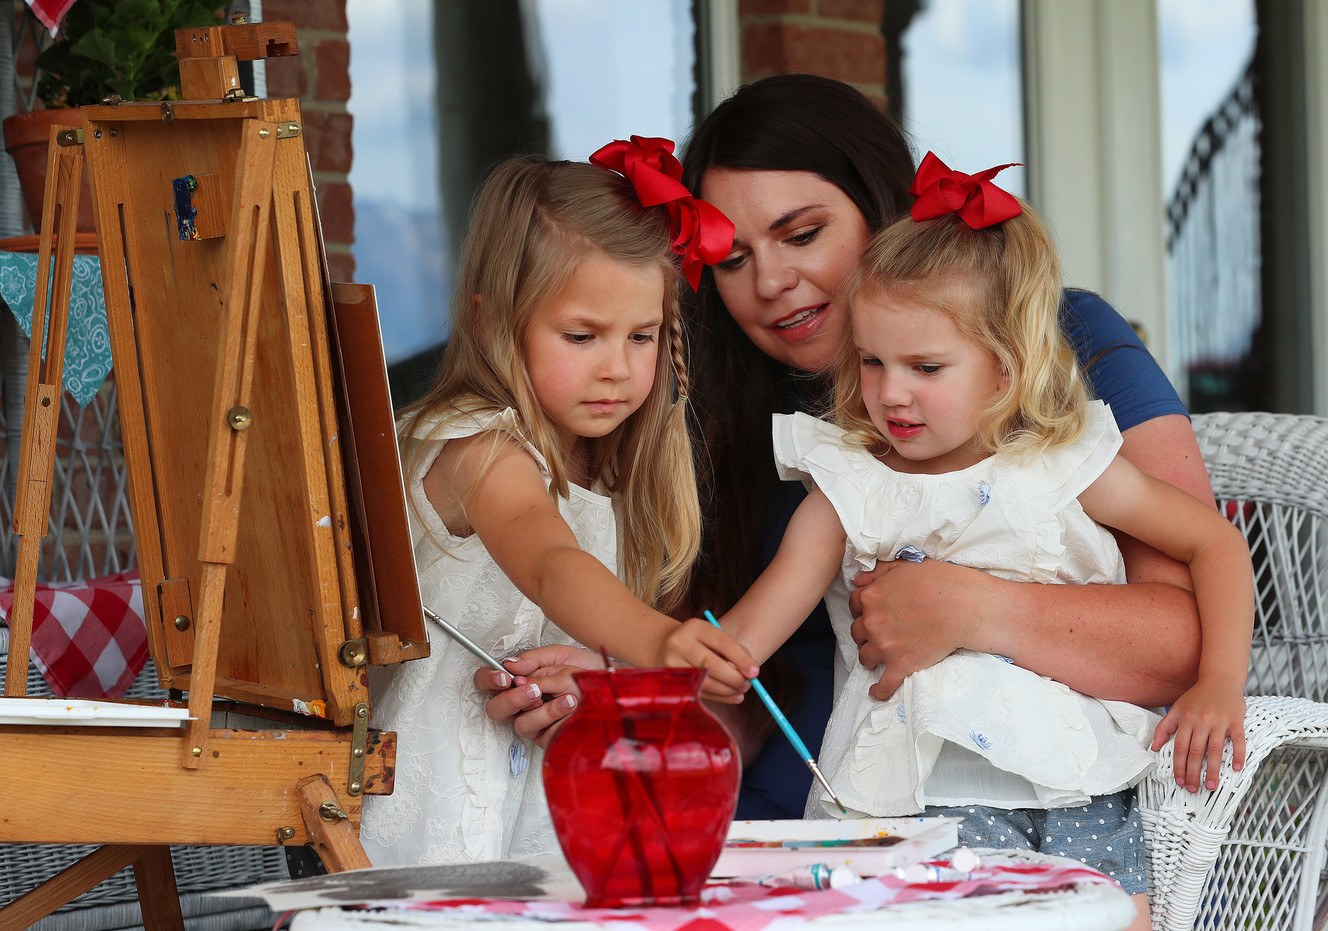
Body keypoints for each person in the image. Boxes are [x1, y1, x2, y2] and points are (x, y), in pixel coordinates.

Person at [479, 75, 1213, 821]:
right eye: (731, 260)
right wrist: (619, 697)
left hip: (1037, 806)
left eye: (802, 235)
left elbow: (1189, 645)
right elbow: (740, 681)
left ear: (883, 208)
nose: (771, 280)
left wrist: (978, 609)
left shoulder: (1062, 344)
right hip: (816, 817)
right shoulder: (720, 410)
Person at [709, 155, 1253, 926]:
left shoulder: (1068, 465)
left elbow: (1215, 546)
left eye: (926, 366)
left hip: (1076, 785)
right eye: (870, 361)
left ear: (1006, 368)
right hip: (916, 802)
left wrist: (1220, 681)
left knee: (1119, 917)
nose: (891, 391)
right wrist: (640, 668)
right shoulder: (848, 488)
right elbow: (742, 640)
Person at [361, 139, 756, 866]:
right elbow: (545, 559)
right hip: (433, 806)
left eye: (642, 336)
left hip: (549, 807)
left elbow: (571, 630)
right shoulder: (475, 447)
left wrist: (606, 684)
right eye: (582, 335)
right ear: (490, 322)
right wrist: (657, 645)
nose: (617, 368)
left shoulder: (604, 470)